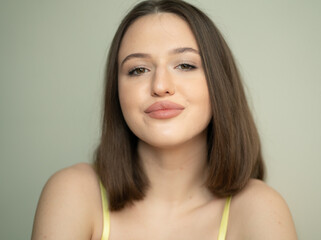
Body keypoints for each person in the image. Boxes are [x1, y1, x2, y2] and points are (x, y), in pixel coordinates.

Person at [31, 0, 297, 239]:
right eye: (138, 70)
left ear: (219, 84)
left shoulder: (258, 208)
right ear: (117, 92)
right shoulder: (72, 193)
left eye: (185, 65)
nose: (160, 86)